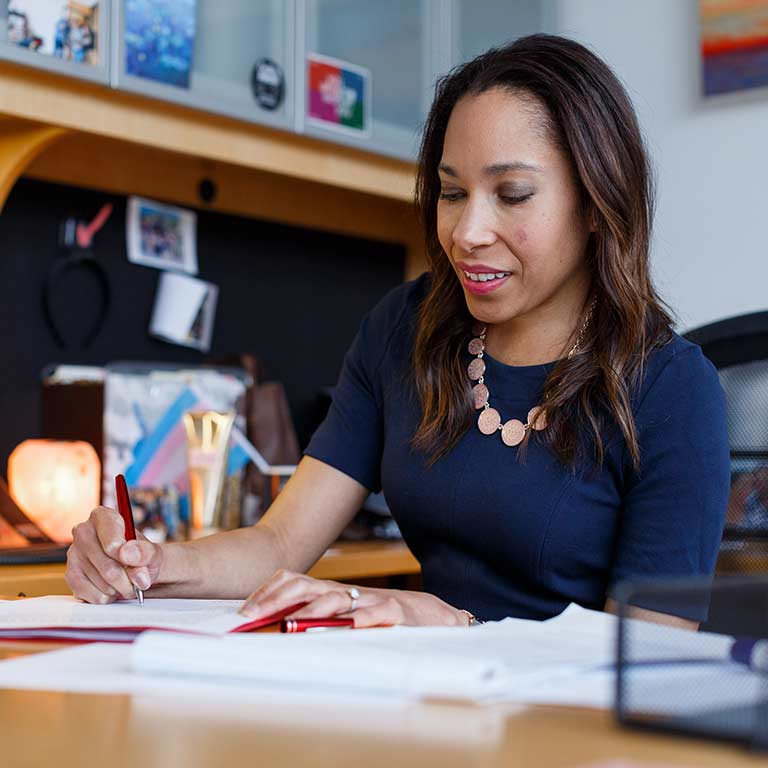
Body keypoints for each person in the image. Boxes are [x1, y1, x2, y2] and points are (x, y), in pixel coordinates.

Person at [65, 34, 729, 630]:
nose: (467, 233)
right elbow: (280, 544)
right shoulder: (407, 328)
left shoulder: (672, 390)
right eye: (451, 193)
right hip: (422, 710)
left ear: (594, 201)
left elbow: (644, 666)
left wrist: (458, 631)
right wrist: (147, 563)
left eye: (513, 194)